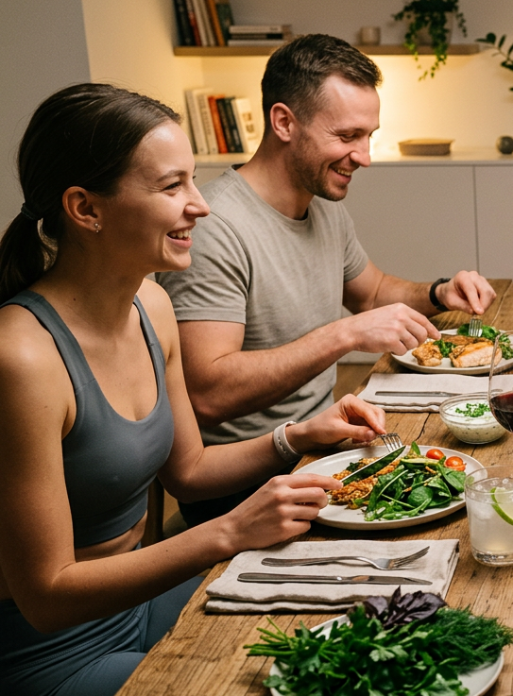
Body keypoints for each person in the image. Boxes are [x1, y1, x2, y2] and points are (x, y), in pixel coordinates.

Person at [0, 84, 390, 696]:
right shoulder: (20, 357)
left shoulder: (151, 305)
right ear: (86, 208)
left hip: (141, 602)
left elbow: (191, 470)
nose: (201, 206)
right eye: (171, 186)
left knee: (353, 606)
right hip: (50, 653)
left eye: (194, 181)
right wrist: (229, 532)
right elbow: (46, 596)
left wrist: (297, 437)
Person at [156, 34, 495, 526]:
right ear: (284, 122)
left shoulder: (322, 208)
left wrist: (440, 291)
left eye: (369, 136)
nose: (365, 156)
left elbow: (373, 293)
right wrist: (343, 335)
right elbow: (207, 396)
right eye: (347, 136)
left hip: (326, 451)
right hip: (249, 490)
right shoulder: (215, 228)